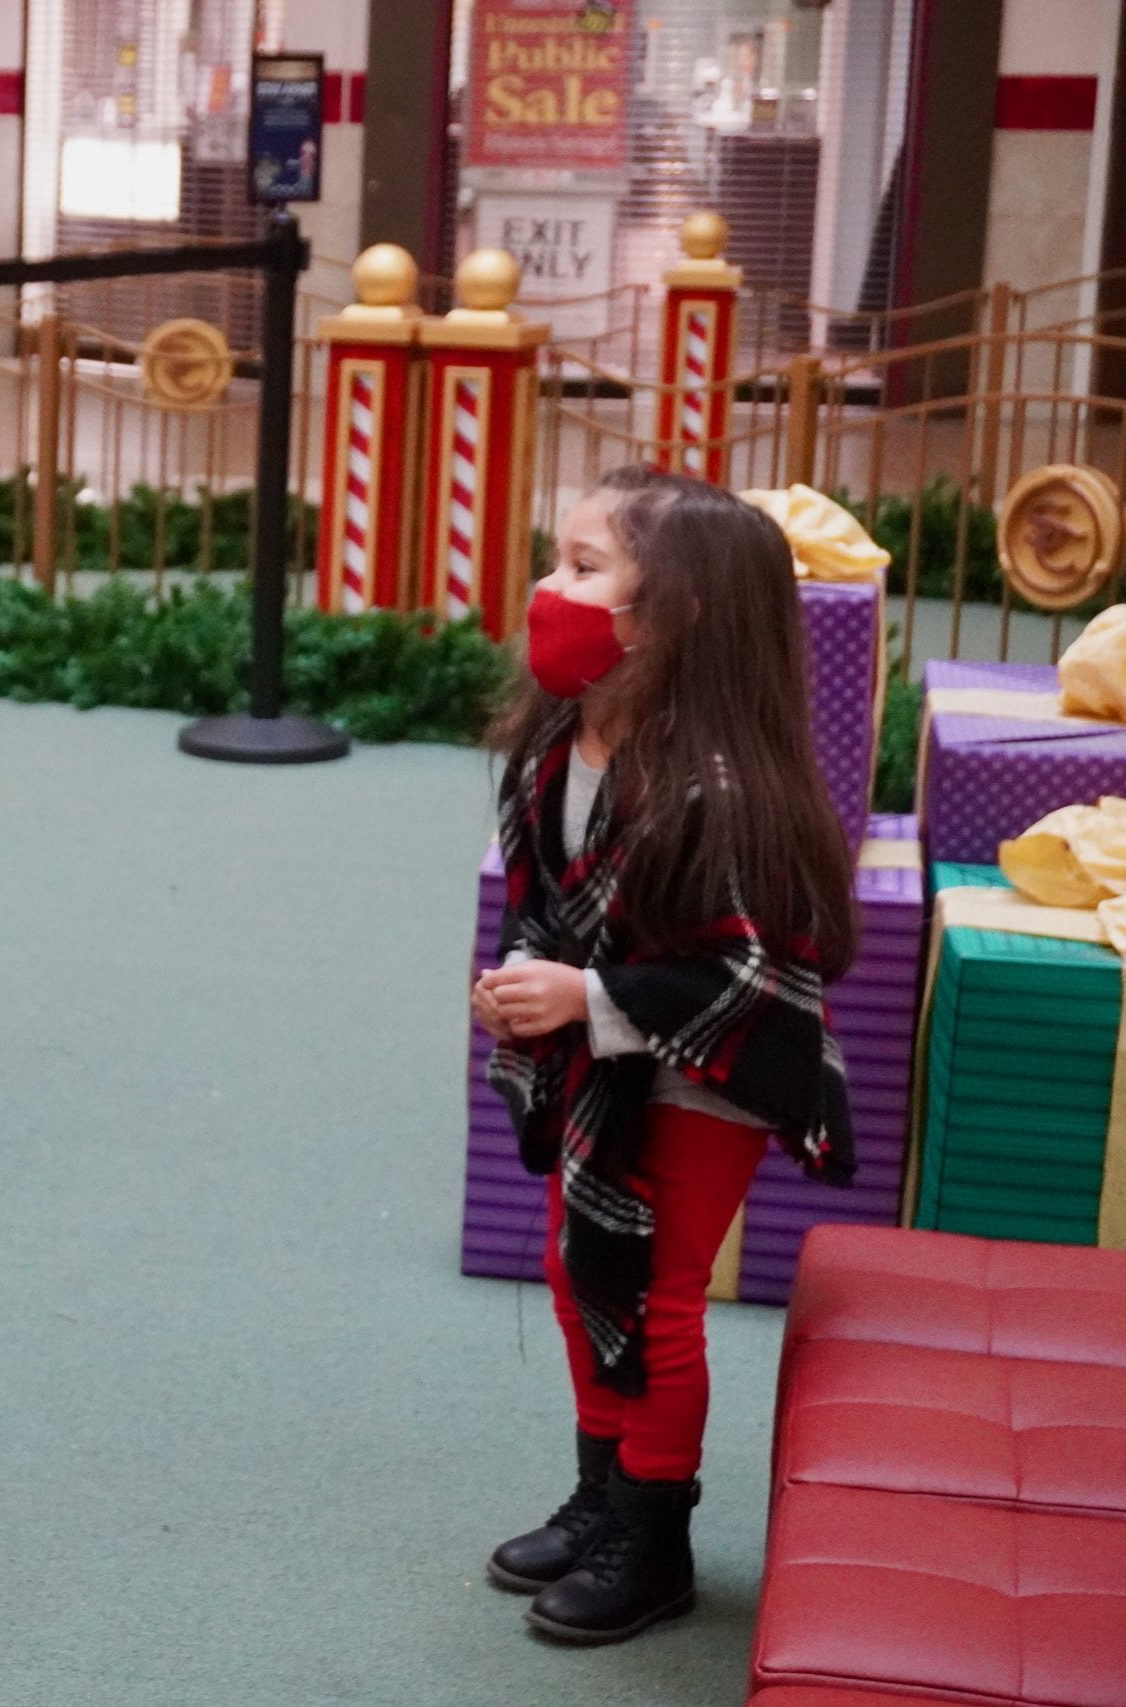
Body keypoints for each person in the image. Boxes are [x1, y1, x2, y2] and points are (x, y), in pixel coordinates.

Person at [473, 468, 857, 1646]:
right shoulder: (560, 740)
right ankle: (600, 1493)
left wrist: (582, 996)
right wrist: (524, 983)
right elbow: (550, 897)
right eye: (556, 558)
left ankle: (655, 1529)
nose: (551, 588)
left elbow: (748, 975)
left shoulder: (720, 788)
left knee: (653, 1287)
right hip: (611, 1047)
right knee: (577, 1261)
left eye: (585, 569)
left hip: (712, 1062)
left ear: (677, 614)